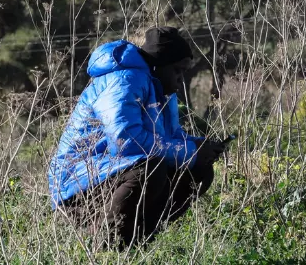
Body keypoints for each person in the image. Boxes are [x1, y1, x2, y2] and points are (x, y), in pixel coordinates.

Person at [48, 27, 227, 246]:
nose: (181, 79)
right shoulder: (124, 80)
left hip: (114, 174)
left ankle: (137, 242)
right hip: (78, 185)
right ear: (158, 65)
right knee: (152, 168)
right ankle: (102, 244)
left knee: (199, 170)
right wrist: (190, 152)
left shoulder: (161, 90)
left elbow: (169, 138)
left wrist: (198, 146)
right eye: (177, 70)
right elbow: (126, 141)